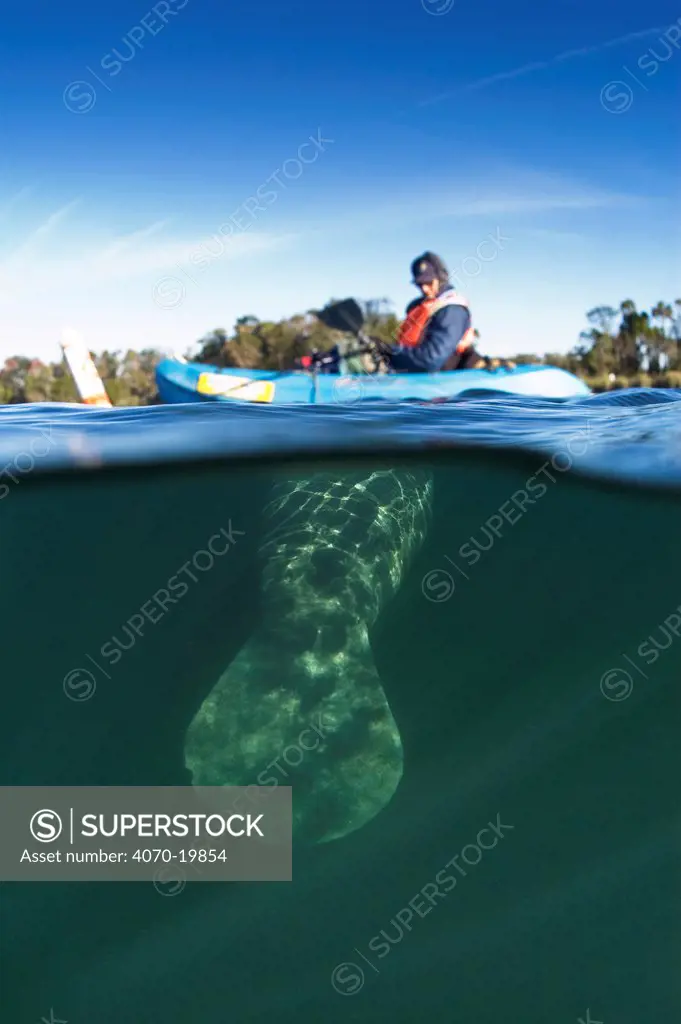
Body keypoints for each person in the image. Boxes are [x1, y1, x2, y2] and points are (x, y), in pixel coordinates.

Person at [385, 252, 511, 374]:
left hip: (451, 379)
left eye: (429, 282)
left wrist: (388, 352)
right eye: (419, 284)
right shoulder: (418, 306)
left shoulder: (452, 309)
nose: (424, 288)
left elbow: (431, 360)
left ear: (440, 278)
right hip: (416, 375)